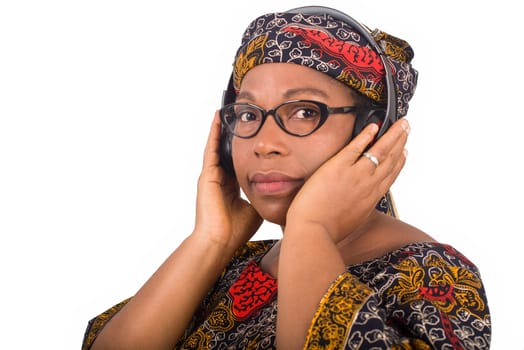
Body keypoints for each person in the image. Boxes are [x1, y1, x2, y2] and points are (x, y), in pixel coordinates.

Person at [82, 5, 491, 350]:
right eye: (247, 115)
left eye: (304, 112)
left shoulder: (434, 276)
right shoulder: (237, 265)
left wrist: (310, 229)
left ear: (375, 132)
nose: (264, 143)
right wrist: (211, 241)